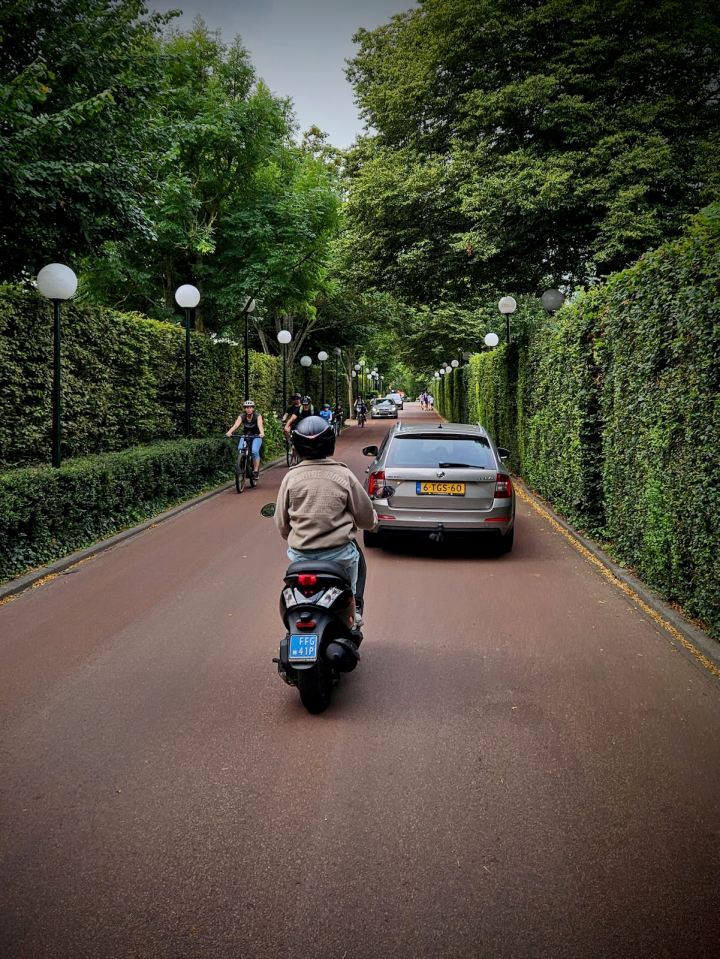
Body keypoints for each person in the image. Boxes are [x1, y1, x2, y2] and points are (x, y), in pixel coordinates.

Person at [275, 415, 377, 631]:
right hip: (339, 555)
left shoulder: (291, 478)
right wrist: (371, 521)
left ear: (297, 446)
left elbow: (282, 524)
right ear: (331, 442)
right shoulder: (344, 475)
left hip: (300, 556)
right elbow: (366, 518)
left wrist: (295, 537)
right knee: (356, 563)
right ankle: (355, 611)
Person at [226, 399, 264, 479]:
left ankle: (256, 471)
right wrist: (229, 432)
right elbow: (236, 425)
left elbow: (260, 425)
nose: (248, 409)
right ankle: (243, 464)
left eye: (250, 407)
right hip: (246, 435)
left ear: (253, 408)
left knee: (254, 451)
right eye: (246, 407)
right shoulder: (242, 416)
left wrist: (261, 433)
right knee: (240, 448)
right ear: (244, 409)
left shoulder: (257, 416)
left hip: (256, 436)